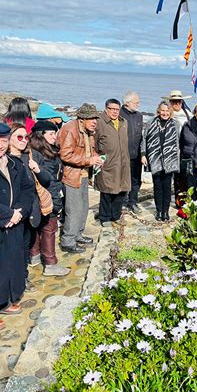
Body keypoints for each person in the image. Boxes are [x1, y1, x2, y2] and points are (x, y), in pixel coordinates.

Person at [0, 123, 33, 330]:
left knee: (9, 262)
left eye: (3, 141)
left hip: (14, 221)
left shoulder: (14, 163)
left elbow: (27, 189)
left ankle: (4, 300)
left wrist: (20, 212)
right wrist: (6, 214)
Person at [8, 123, 51, 289]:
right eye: (19, 137)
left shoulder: (32, 156)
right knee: (12, 250)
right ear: (9, 138)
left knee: (24, 248)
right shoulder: (2, 159)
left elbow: (47, 180)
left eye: (26, 137)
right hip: (10, 213)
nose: (24, 140)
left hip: (30, 212)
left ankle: (23, 278)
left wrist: (38, 169)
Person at [58, 103, 103, 253]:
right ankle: (68, 241)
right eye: (91, 118)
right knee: (74, 209)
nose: (95, 121)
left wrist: (96, 158)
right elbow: (65, 154)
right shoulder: (70, 129)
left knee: (83, 207)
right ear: (82, 119)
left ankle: (77, 234)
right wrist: (88, 161)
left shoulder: (88, 131)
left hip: (83, 175)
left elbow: (90, 151)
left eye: (95, 118)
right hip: (72, 176)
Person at [28, 121, 69, 276]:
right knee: (49, 228)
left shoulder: (36, 151)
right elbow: (49, 181)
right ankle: (50, 263)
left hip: (39, 197)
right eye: (51, 134)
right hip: (46, 197)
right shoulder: (43, 156)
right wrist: (57, 202)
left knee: (37, 227)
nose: (55, 137)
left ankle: (35, 256)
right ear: (40, 135)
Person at [94, 99, 131, 227]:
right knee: (106, 191)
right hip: (107, 163)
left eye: (117, 109)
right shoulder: (99, 122)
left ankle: (116, 215)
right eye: (112, 109)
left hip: (123, 163)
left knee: (121, 190)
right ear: (106, 108)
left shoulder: (123, 122)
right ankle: (104, 217)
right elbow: (94, 142)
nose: (115, 111)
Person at [141, 101, 180, 221]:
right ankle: (159, 211)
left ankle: (166, 211)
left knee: (167, 187)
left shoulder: (176, 124)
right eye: (163, 110)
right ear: (159, 111)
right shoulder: (151, 122)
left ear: (170, 112)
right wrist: (143, 154)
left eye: (167, 111)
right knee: (157, 186)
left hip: (170, 160)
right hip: (155, 158)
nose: (165, 113)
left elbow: (178, 141)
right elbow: (144, 139)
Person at [119, 91, 144, 213]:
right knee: (123, 179)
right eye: (136, 102)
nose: (138, 104)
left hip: (137, 154)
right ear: (127, 103)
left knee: (136, 180)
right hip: (123, 154)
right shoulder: (119, 114)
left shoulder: (139, 115)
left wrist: (143, 154)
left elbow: (141, 136)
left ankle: (133, 202)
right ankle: (122, 202)